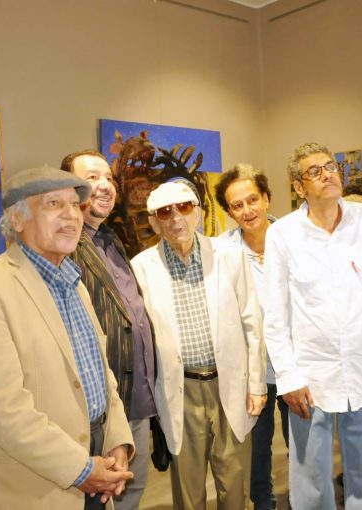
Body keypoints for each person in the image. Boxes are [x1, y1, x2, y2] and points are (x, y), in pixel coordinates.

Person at [0, 166, 134, 509]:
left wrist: (118, 441)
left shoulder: (75, 284)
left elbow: (102, 375)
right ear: (17, 219)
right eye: (53, 204)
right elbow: (1, 411)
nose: (71, 215)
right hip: (36, 488)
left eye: (75, 205)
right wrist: (81, 469)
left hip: (99, 467)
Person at [264, 142, 362, 509]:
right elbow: (275, 314)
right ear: (298, 187)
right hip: (311, 374)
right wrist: (288, 378)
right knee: (310, 475)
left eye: (330, 167)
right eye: (314, 172)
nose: (327, 175)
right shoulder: (283, 234)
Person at [131, 181, 266, 510]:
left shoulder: (230, 256)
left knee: (234, 483)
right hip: (180, 390)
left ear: (199, 213)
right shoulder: (141, 267)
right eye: (165, 212)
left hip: (229, 384)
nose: (176, 217)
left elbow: (252, 322)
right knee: (188, 491)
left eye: (184, 207)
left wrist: (257, 384)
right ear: (154, 223)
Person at [61, 150, 157, 509]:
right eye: (91, 178)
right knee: (102, 498)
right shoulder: (66, 248)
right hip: (98, 410)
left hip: (136, 401)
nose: (104, 185)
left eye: (108, 178)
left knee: (131, 492)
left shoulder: (111, 240)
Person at [215, 163, 289, 510]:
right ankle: (264, 502)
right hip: (252, 370)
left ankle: (305, 499)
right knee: (257, 446)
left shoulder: (292, 239)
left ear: (266, 198)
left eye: (252, 200)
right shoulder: (222, 251)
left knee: (303, 441)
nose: (247, 210)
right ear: (229, 212)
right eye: (237, 205)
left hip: (294, 363)